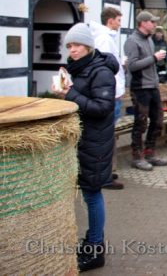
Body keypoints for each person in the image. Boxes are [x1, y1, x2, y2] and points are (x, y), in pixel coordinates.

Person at [51, 23, 118, 271]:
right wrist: (64, 91)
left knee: (92, 194)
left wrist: (69, 94)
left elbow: (102, 108)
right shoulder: (78, 69)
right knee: (88, 193)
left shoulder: (100, 72)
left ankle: (95, 249)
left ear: (88, 46)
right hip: (82, 140)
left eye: (77, 45)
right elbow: (80, 101)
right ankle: (91, 241)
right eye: (69, 46)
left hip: (95, 141)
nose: (73, 50)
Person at [124, 11, 167, 171]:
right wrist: (154, 58)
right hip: (140, 88)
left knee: (157, 121)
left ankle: (150, 152)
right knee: (141, 122)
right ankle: (137, 156)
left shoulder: (149, 40)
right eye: (152, 21)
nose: (154, 24)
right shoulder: (132, 41)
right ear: (143, 23)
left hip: (152, 86)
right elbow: (133, 65)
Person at [90, 6, 126, 190]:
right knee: (106, 136)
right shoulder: (104, 39)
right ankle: (104, 175)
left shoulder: (106, 37)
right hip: (109, 95)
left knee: (108, 135)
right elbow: (104, 68)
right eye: (119, 20)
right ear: (110, 20)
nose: (120, 24)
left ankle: (106, 171)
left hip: (113, 93)